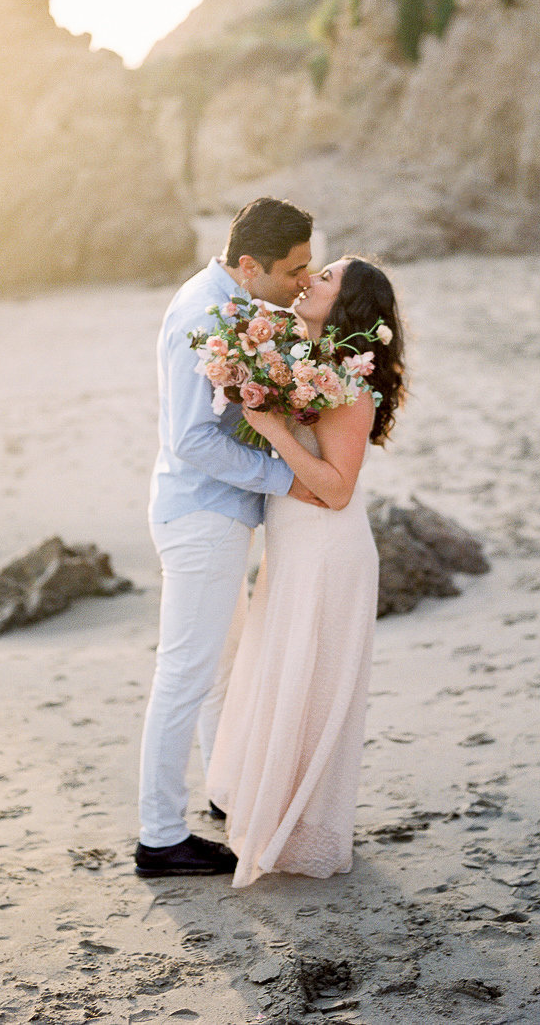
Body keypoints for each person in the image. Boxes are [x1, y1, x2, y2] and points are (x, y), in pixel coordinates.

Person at [134, 196, 321, 877]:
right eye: (295, 269)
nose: (304, 279)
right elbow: (188, 439)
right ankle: (158, 837)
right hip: (200, 516)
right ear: (250, 265)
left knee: (219, 670)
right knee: (185, 675)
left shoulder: (236, 305)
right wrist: (280, 473)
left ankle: (225, 794)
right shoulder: (203, 314)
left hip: (214, 515)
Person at [206, 256, 405, 887]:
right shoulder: (300, 362)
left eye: (326, 278)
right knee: (278, 674)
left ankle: (302, 830)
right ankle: (272, 813)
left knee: (307, 685)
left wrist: (270, 425)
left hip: (327, 549)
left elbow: (337, 489)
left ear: (346, 304)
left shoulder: (352, 386)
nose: (311, 279)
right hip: (293, 544)